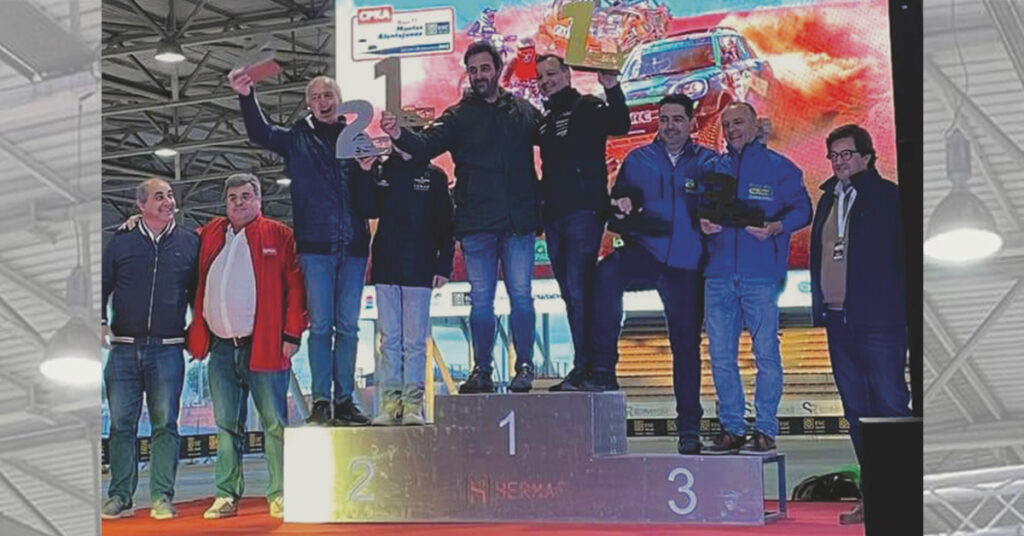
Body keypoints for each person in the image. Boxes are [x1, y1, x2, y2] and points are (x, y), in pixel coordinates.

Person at [380, 41, 543, 394]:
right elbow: (425, 146)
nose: (479, 75)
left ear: (498, 70)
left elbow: (556, 146)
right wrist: (398, 134)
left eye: (484, 68)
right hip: (476, 225)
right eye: (473, 70)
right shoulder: (457, 116)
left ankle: (525, 367)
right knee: (481, 300)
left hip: (518, 223)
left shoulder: (523, 111)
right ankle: (482, 370)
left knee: (521, 296)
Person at [229, 70, 374, 426]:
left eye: (328, 95)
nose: (323, 102)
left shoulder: (357, 139)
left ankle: (345, 400)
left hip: (354, 247)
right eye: (316, 97)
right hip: (314, 248)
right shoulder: (297, 138)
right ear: (308, 104)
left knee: (349, 327)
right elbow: (260, 133)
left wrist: (368, 171)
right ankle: (322, 401)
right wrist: (246, 96)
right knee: (321, 326)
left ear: (340, 100)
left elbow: (372, 197)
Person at [587, 94, 715, 456]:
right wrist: (620, 206)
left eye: (677, 119)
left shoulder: (708, 161)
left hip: (687, 264)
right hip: (646, 251)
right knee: (606, 274)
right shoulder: (638, 159)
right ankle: (603, 369)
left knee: (686, 347)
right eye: (664, 119)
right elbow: (617, 204)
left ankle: (689, 428)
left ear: (691, 123)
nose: (670, 126)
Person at [185, 174, 307, 520]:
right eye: (233, 197)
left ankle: (280, 493)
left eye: (246, 196)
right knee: (226, 426)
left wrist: (292, 334)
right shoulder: (210, 234)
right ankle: (226, 494)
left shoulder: (280, 235)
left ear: (259, 200)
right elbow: (177, 240)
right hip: (221, 348)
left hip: (265, 345)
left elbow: (296, 287)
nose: (239, 202)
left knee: (274, 424)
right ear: (226, 203)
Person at [810, 124, 909, 525]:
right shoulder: (827, 199)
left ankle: (904, 497)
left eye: (847, 154)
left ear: (867, 156)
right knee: (856, 413)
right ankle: (874, 497)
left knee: (890, 407)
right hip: (838, 321)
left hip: (881, 321)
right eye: (834, 156)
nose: (839, 162)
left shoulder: (888, 197)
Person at [701, 102, 812, 455]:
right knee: (720, 356)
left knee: (765, 354)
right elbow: (698, 211)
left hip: (760, 276)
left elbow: (804, 210)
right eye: (726, 124)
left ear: (755, 125)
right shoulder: (712, 168)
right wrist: (703, 224)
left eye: (738, 122)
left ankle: (765, 429)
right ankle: (732, 428)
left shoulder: (780, 167)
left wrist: (777, 227)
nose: (731, 129)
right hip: (718, 275)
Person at [101, 179, 199, 520]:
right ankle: (119, 496)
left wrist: (197, 331)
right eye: (159, 197)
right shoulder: (121, 241)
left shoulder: (189, 242)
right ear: (141, 205)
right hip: (123, 351)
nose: (168, 201)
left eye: (170, 195)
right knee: (120, 426)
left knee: (165, 425)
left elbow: (198, 293)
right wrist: (99, 320)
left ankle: (161, 497)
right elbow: (102, 283)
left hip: (168, 351)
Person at [534, 54, 630, 391]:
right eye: (540, 77)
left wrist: (612, 87)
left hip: (584, 213)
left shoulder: (588, 106)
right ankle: (584, 366)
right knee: (570, 294)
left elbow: (621, 124)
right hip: (554, 217)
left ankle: (592, 368)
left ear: (567, 74)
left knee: (580, 291)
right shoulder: (545, 121)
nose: (546, 81)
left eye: (551, 73)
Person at [367, 146, 454, 426]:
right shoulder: (382, 171)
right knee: (389, 339)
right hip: (386, 265)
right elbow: (369, 207)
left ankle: (414, 404)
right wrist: (366, 172)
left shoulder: (434, 176)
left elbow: (447, 225)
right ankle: (390, 403)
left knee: (415, 341)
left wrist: (443, 266)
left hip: (420, 265)